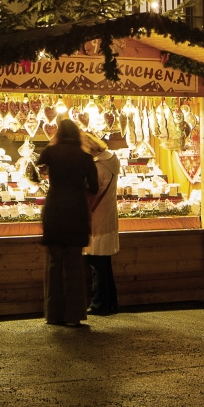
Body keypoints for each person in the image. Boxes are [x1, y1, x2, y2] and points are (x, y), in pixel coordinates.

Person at [31, 120, 99, 326]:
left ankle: (54, 315)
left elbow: (34, 174)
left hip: (54, 211)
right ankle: (73, 316)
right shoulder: (86, 158)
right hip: (76, 212)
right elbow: (94, 188)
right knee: (74, 266)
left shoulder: (50, 152)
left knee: (54, 264)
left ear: (59, 133)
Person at [83, 132, 122, 316]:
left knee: (97, 263)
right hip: (107, 216)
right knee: (105, 264)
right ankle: (111, 303)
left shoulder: (98, 166)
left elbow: (92, 190)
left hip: (97, 217)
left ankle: (99, 304)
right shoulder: (111, 160)